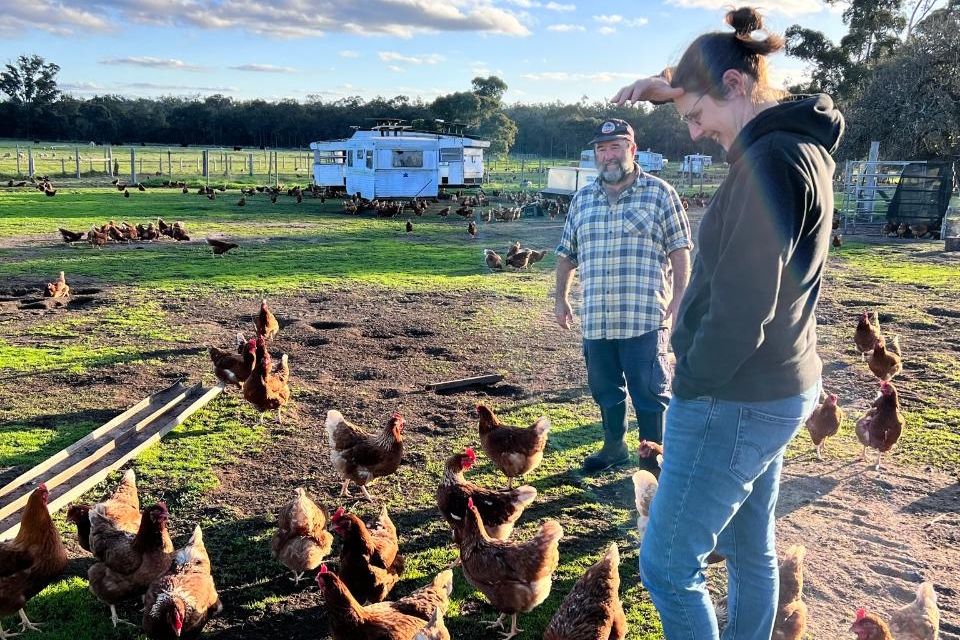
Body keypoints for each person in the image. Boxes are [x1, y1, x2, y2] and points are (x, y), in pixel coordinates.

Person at [611, 7, 844, 640]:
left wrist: (690, 383)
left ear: (736, 86)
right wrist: (674, 88)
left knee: (664, 565)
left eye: (695, 115)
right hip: (777, 383)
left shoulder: (769, 164)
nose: (692, 132)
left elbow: (743, 308)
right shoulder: (793, 145)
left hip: (734, 393)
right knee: (748, 548)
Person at [555, 117, 692, 475]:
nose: (608, 155)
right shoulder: (582, 199)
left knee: (650, 393)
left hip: (645, 316)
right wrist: (561, 298)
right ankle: (614, 447)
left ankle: (654, 461)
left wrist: (680, 297)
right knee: (605, 389)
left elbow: (680, 249)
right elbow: (566, 253)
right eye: (601, 149)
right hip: (597, 316)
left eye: (615, 147)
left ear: (632, 150)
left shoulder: (660, 193)